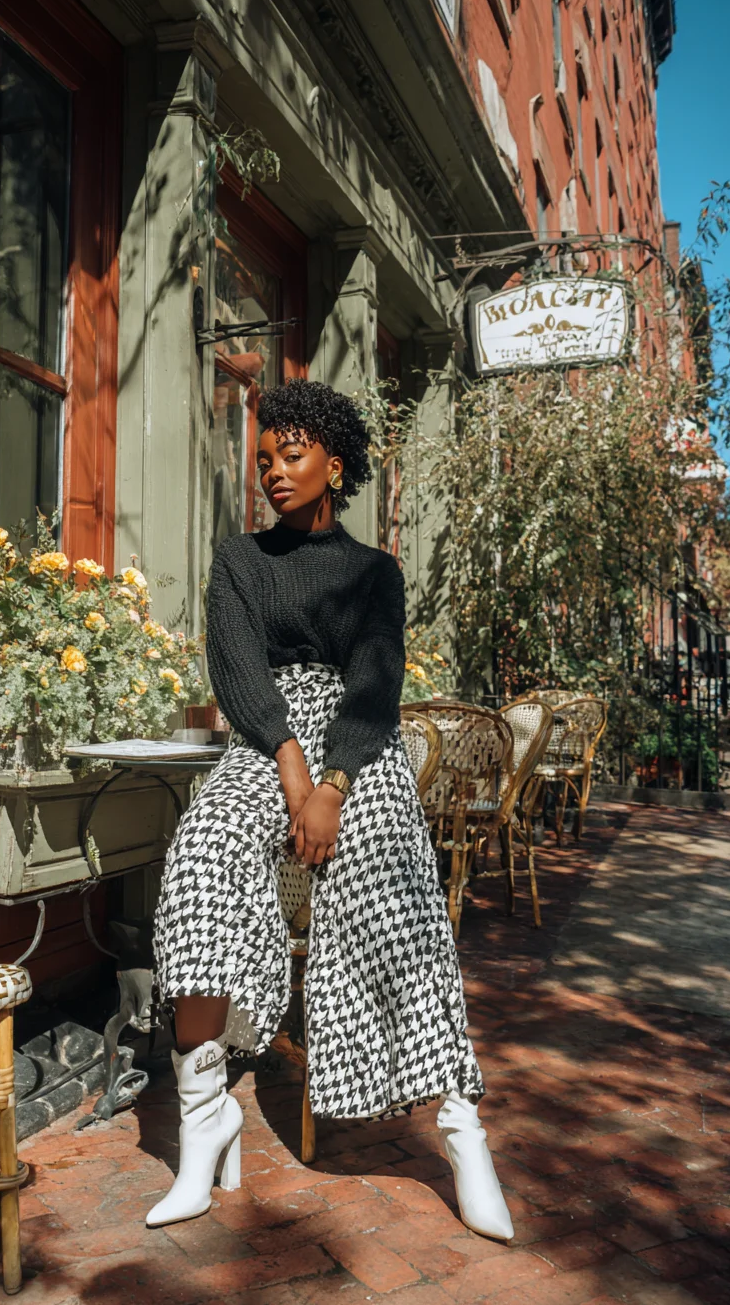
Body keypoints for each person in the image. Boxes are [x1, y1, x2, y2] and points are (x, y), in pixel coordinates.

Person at [147, 378, 513, 1242]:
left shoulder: (374, 572)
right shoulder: (239, 560)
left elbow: (378, 681)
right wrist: (292, 773)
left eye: (293, 453)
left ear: (334, 464)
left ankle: (463, 1132)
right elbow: (236, 671)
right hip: (268, 743)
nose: (274, 469)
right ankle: (205, 1120)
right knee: (198, 865)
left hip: (359, 745)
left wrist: (336, 784)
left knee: (398, 895)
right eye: (264, 457)